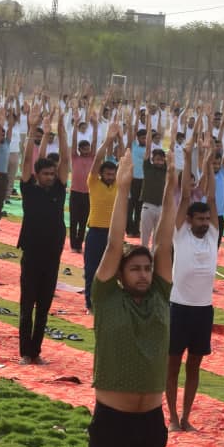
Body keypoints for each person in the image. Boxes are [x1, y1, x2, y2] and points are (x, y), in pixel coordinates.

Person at [88, 145, 178, 447]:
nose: (143, 273)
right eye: (135, 269)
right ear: (122, 275)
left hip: (149, 423)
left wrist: (172, 189)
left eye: (146, 268)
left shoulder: (161, 295)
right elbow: (113, 240)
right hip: (111, 422)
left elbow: (164, 240)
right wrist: (123, 188)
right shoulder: (106, 299)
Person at [165, 136, 219, 432]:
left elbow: (210, 199)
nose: (203, 221)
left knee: (194, 366)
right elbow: (185, 196)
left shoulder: (212, 235)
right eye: (198, 218)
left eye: (206, 218)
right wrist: (187, 161)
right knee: (173, 365)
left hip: (203, 310)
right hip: (179, 309)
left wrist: (208, 165)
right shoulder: (180, 234)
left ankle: (187, 416)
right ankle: (172, 417)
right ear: (188, 220)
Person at [17, 107, 70, 364]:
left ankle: (36, 351)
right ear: (38, 175)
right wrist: (34, 131)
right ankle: (25, 352)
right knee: (27, 306)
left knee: (44, 308)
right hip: (31, 255)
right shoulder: (29, 189)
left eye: (52, 173)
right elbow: (27, 161)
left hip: (52, 256)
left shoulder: (59, 191)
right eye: (46, 174)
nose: (50, 177)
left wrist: (59, 131)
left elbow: (66, 162)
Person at [83, 122, 121, 311]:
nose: (111, 176)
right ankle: (90, 303)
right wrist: (107, 140)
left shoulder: (118, 185)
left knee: (114, 270)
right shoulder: (94, 183)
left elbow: (124, 158)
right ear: (101, 174)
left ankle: (109, 302)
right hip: (96, 232)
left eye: (113, 174)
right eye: (107, 174)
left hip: (113, 234)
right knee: (91, 269)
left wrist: (120, 138)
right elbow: (97, 159)